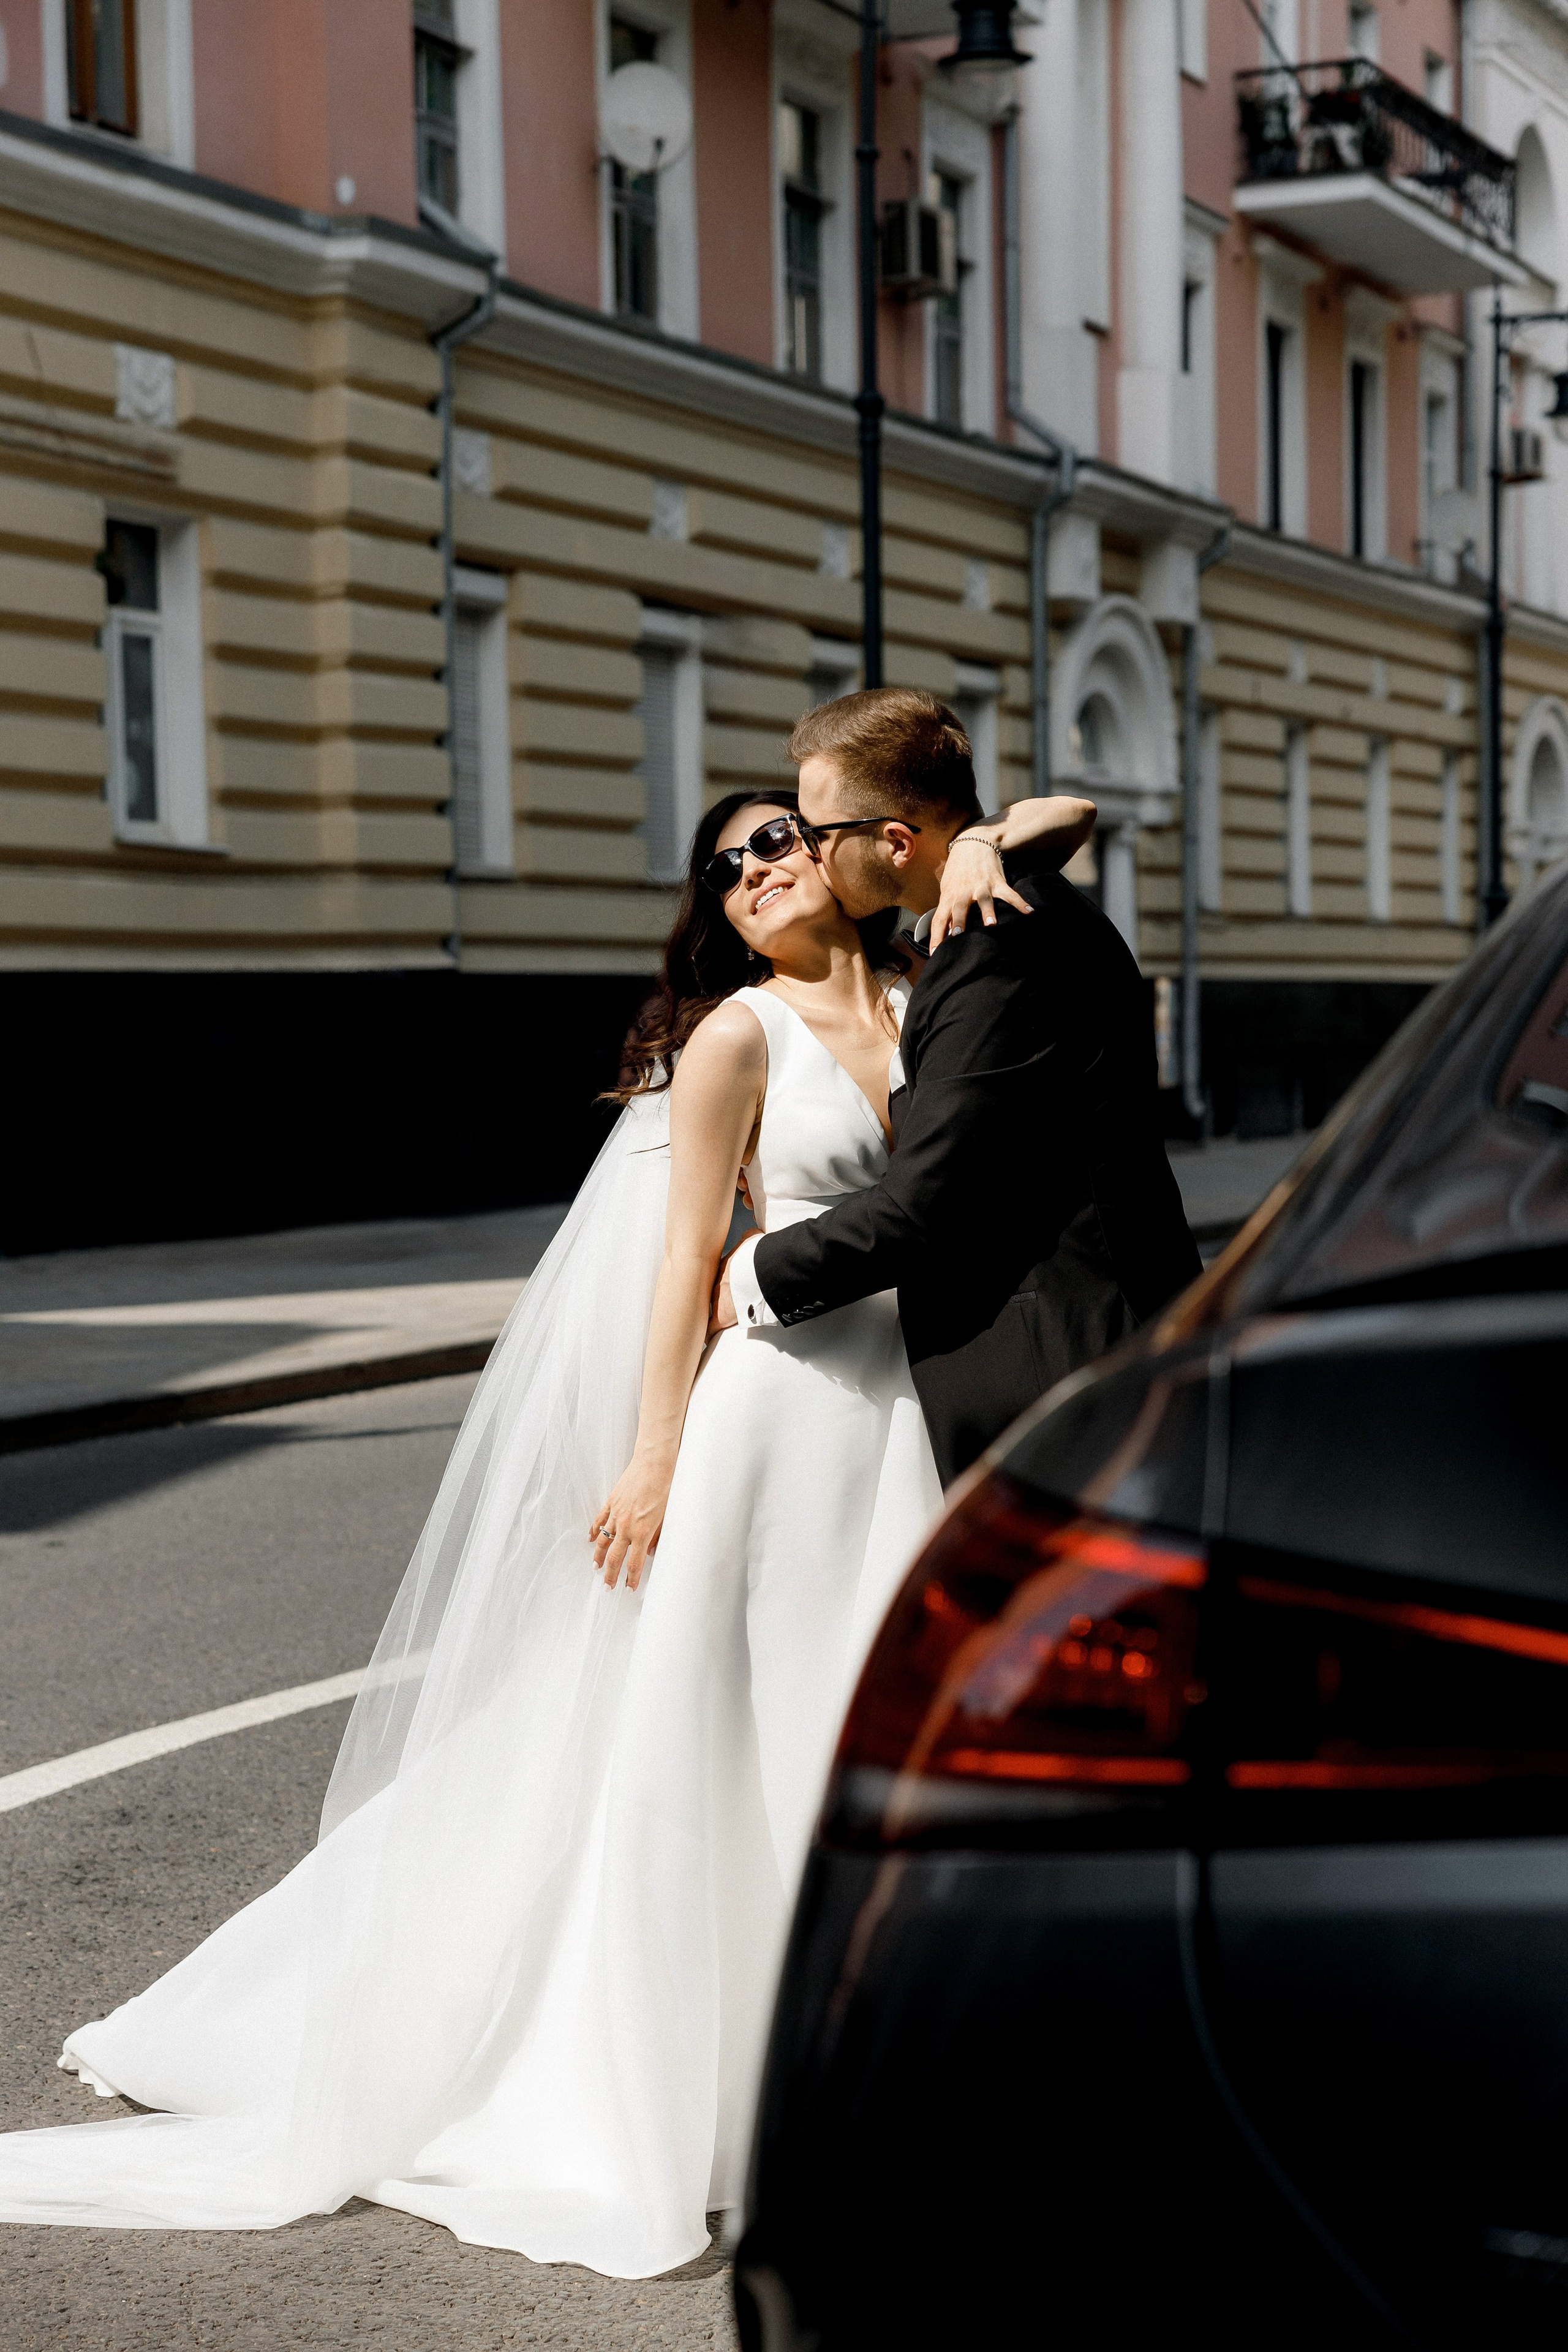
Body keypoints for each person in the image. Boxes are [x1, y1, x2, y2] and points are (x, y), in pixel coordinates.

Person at [0, 776, 1091, 2278]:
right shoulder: (732, 1040)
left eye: (777, 839)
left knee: (870, 1732)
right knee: (735, 1743)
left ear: (851, 852)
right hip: (771, 1422)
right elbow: (677, 1270)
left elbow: (1060, 813)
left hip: (904, 1416)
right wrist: (653, 1458)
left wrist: (975, 841)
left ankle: (873, 2043)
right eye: (723, 870)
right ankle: (715, 2078)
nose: (754, 873)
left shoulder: (931, 981)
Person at [719, 688, 1202, 1487]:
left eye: (817, 832)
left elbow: (923, 1208)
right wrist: (984, 836)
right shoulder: (1013, 913)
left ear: (898, 842)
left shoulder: (995, 951)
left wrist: (749, 1276)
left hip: (1058, 1380)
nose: (805, 851)